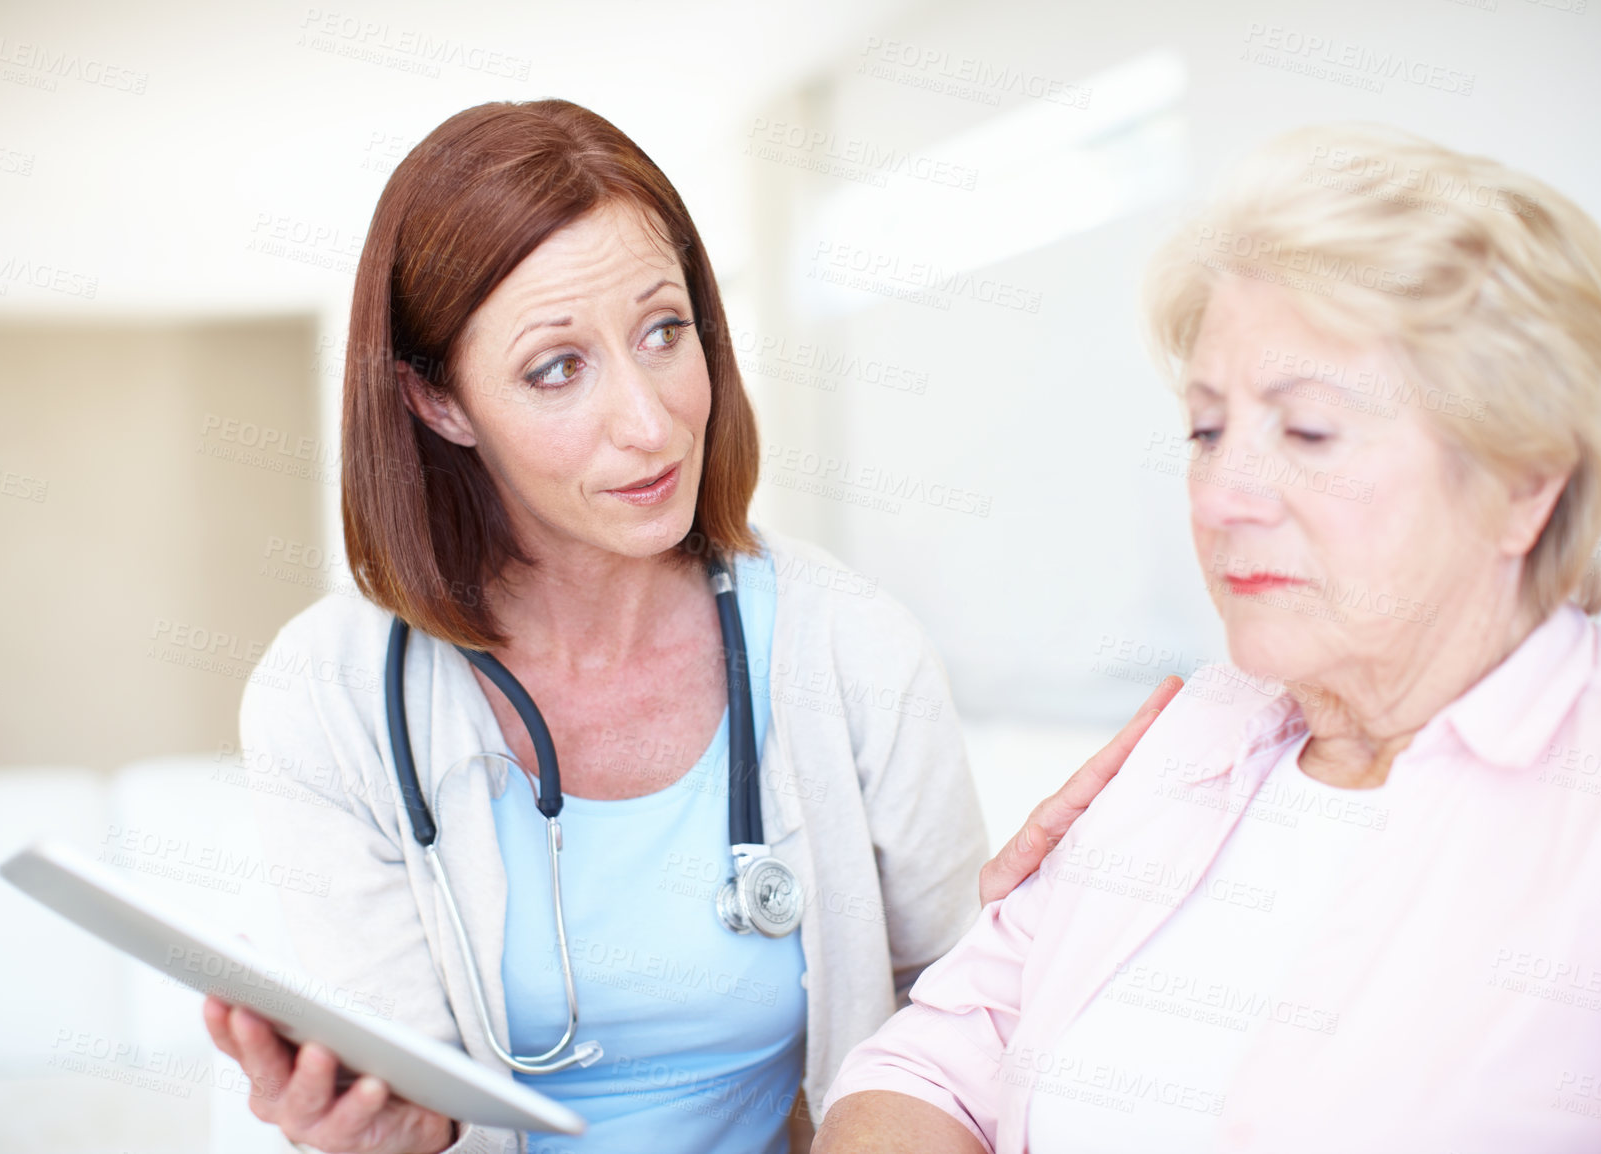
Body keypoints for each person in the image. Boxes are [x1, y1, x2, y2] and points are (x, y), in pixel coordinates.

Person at [198, 99, 1177, 1154]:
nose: (651, 419)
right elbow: (412, 1103)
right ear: (437, 402)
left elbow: (959, 1026)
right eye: (557, 367)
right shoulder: (328, 693)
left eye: (663, 332)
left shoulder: (850, 645)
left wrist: (1051, 930)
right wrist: (393, 1137)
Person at [815, 123, 1601, 1153]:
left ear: (1522, 484)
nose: (1221, 495)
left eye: (1308, 431)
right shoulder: (1199, 729)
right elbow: (935, 1060)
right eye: (1207, 430)